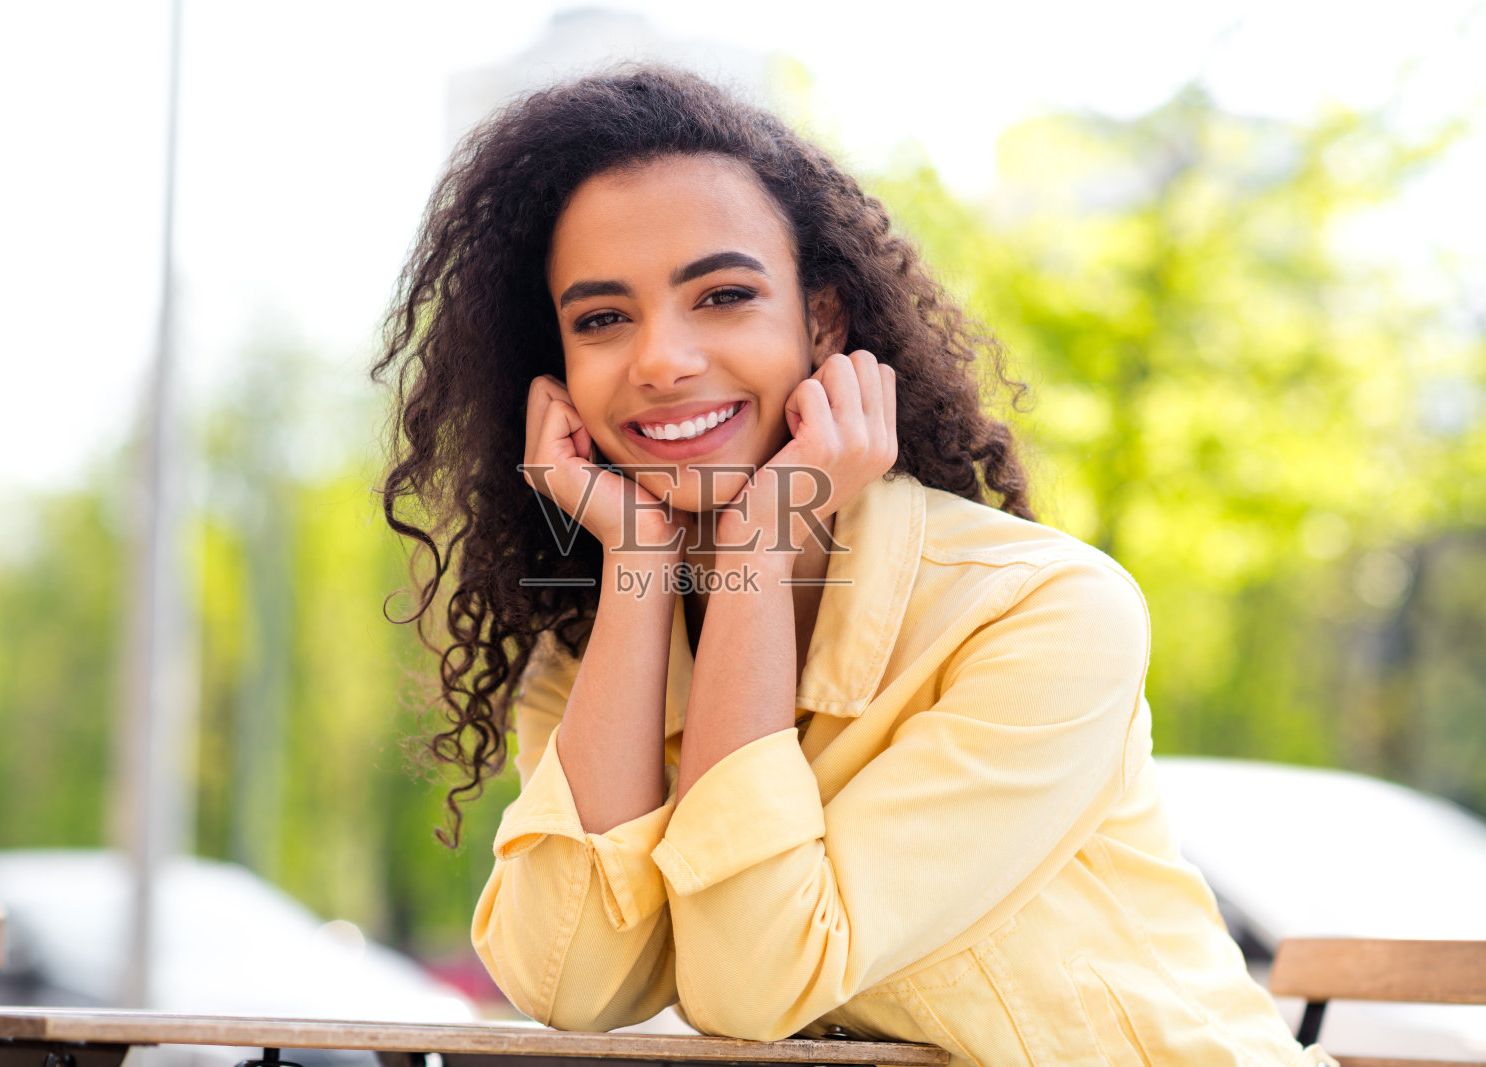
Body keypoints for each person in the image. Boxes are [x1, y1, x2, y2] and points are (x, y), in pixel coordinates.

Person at [373, 67, 1334, 1066]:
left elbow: (753, 981)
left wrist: (754, 544)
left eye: (724, 295)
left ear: (822, 323)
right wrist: (640, 563)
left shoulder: (1043, 610)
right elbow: (572, 979)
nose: (660, 358)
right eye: (602, 318)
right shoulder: (601, 648)